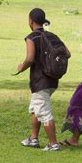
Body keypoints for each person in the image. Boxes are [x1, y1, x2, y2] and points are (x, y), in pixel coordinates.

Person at [17, 8, 71, 152]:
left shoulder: (31, 38)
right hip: (52, 80)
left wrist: (21, 67)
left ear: (31, 21)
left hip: (40, 81)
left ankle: (53, 144)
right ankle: (33, 139)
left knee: (43, 111)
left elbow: (29, 59)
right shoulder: (53, 36)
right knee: (35, 108)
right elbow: (68, 53)